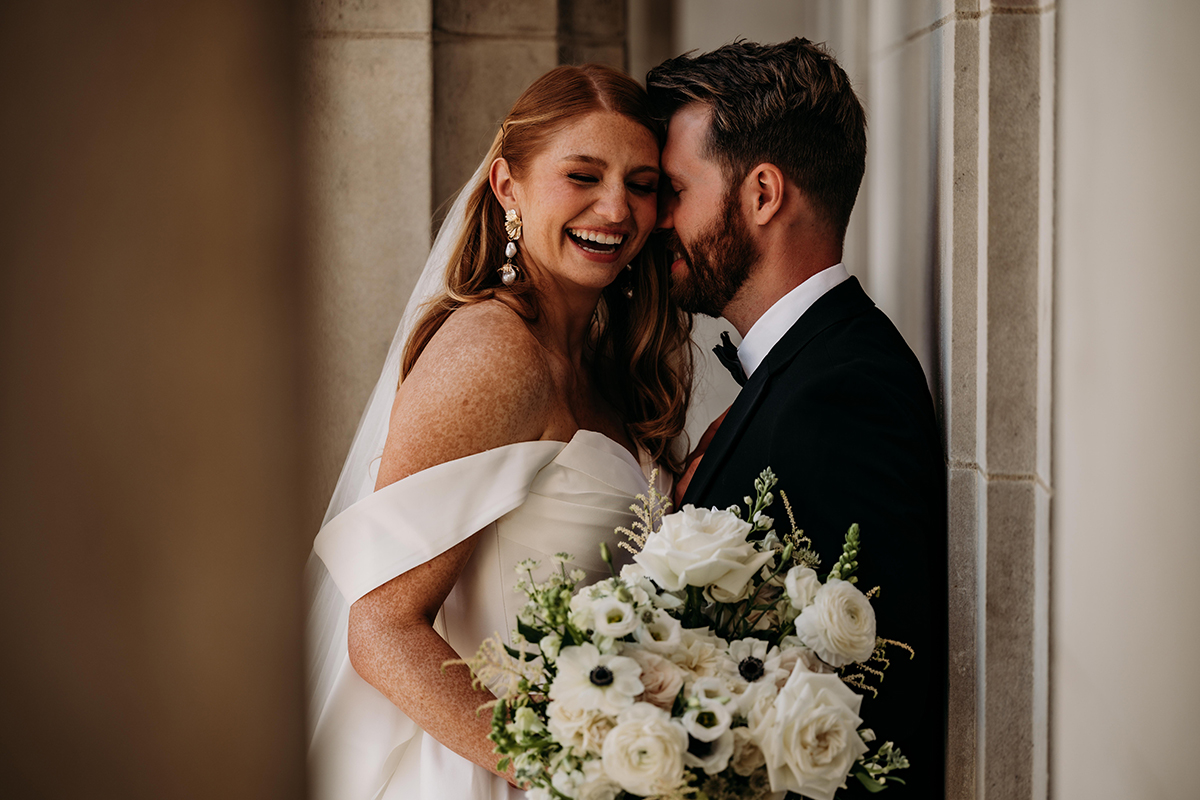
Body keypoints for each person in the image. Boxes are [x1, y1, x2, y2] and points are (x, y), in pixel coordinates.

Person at [305, 64, 692, 800]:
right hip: (489, 765)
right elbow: (380, 629)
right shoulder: (494, 352)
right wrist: (559, 770)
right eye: (582, 175)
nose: (616, 209)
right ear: (508, 186)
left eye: (642, 185)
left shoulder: (606, 364)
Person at [648, 39, 948, 797]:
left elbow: (877, 698)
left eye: (675, 191)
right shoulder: (814, 362)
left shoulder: (846, 389)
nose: (655, 222)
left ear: (762, 193)